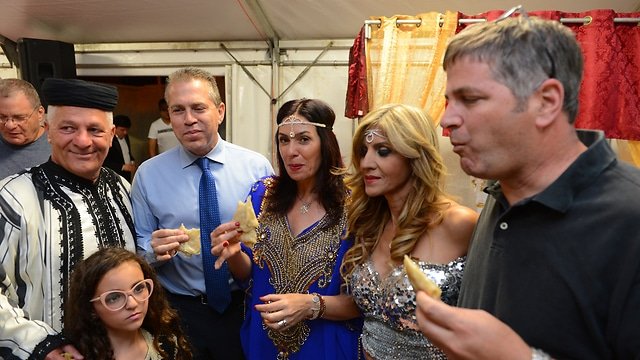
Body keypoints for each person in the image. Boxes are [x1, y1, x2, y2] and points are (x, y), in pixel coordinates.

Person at [415, 11, 640, 360]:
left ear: (546, 102)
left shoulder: (630, 216)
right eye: (449, 101)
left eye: (470, 99)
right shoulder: (498, 193)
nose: (447, 120)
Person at [131, 67, 273, 360]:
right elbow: (139, 245)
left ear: (220, 111)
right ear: (168, 116)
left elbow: (272, 243)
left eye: (198, 108)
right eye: (178, 110)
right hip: (178, 310)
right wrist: (151, 252)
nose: (189, 119)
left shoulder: (256, 169)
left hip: (242, 307)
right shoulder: (148, 175)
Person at [211, 98, 362, 360]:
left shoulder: (355, 207)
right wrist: (234, 253)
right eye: (283, 140)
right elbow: (250, 277)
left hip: (326, 346)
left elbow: (363, 301)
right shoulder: (262, 196)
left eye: (303, 139)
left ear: (325, 143)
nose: (291, 151)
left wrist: (311, 305)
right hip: (263, 344)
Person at [0, 78, 137, 359]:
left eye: (95, 130)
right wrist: (40, 344)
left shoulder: (124, 190)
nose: (83, 141)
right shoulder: (12, 197)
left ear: (111, 135)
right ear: (48, 131)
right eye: (68, 128)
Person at [340, 103, 478, 359]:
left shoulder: (459, 224)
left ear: (414, 156)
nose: (366, 163)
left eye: (383, 151)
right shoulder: (370, 224)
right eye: (363, 151)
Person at [64, 247, 192, 360]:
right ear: (91, 308)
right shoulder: (75, 355)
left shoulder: (167, 343)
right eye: (114, 297)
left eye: (138, 288)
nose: (132, 304)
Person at [0, 78, 50, 179]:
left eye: (19, 118)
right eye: (2, 117)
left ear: (40, 113)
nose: (9, 125)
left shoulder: (61, 147)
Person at [104, 114, 136, 182]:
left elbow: (126, 152)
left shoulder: (126, 137)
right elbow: (105, 161)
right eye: (122, 130)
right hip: (114, 176)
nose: (125, 132)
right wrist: (122, 167)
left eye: (127, 130)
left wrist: (132, 160)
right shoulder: (108, 140)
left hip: (127, 175)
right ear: (114, 128)